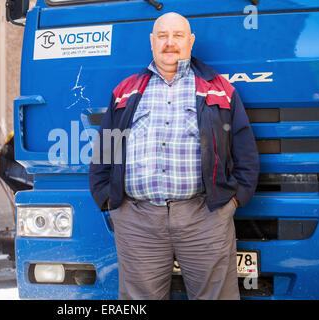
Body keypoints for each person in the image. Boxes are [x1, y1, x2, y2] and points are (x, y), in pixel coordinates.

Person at [89, 12, 259, 300]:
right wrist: (109, 199)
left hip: (204, 217)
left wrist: (232, 202)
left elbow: (245, 152)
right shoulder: (125, 91)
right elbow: (105, 147)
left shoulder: (221, 89)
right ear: (152, 42)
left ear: (190, 41)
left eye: (178, 35)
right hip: (138, 220)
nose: (170, 43)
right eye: (163, 36)